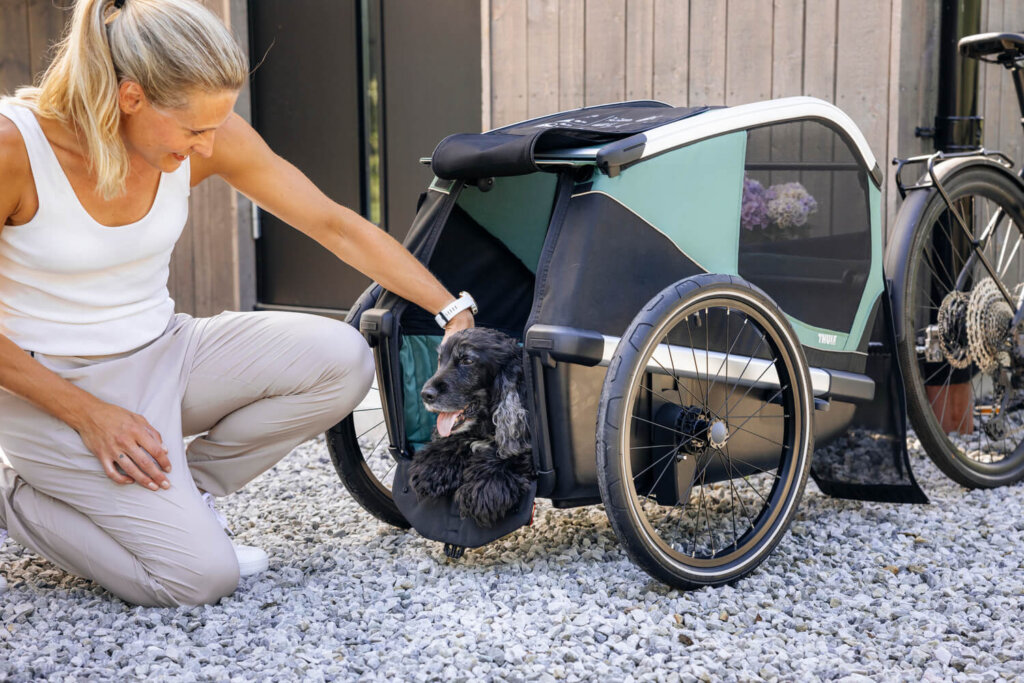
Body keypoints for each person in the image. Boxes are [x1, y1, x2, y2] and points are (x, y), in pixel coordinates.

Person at [0, 0, 474, 605]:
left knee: (343, 360)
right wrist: (90, 416)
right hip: (49, 387)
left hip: (163, 351)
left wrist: (449, 309)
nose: (206, 147)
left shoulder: (203, 136)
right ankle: (14, 493)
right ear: (131, 97)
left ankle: (179, 493)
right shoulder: (16, 150)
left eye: (215, 128)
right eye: (195, 130)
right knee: (198, 578)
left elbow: (332, 224)